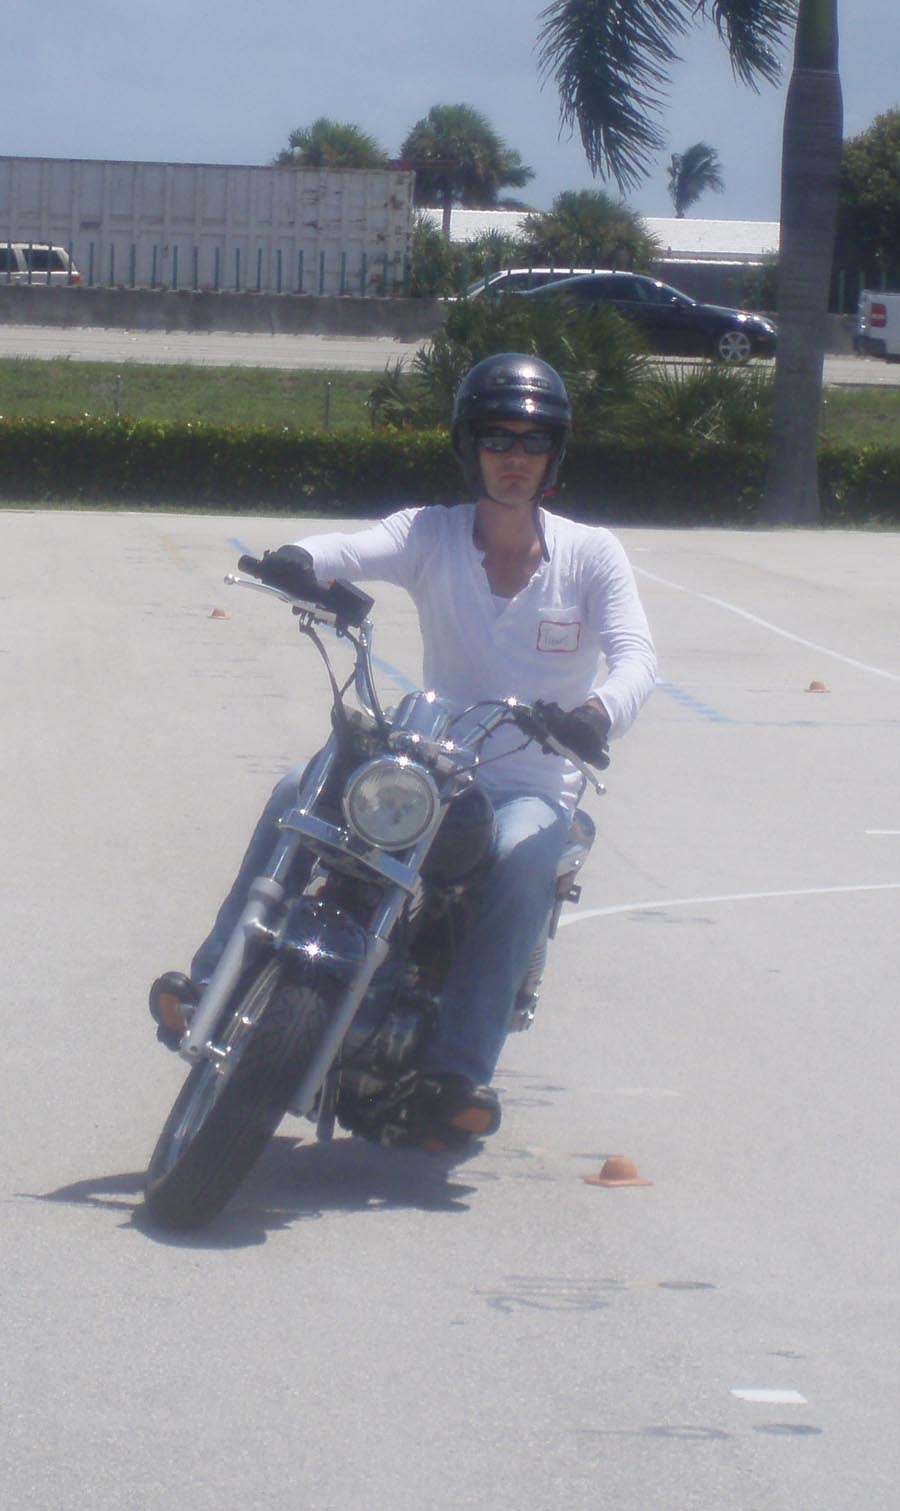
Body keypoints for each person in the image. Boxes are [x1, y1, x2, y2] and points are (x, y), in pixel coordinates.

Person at [150, 353, 657, 1145]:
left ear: (554, 453)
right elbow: (351, 549)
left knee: (527, 855)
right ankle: (211, 978)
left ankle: (458, 1071)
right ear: (469, 446)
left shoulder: (592, 555)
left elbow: (637, 657)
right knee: (298, 786)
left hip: (530, 781)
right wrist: (300, 561)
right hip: (435, 760)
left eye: (533, 440)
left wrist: (597, 712)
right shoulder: (432, 532)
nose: (515, 456)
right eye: (497, 437)